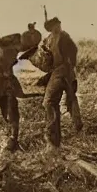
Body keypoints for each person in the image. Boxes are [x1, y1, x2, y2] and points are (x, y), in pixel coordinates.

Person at [40, 15, 83, 149]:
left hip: (63, 70)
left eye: (59, 24)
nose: (58, 26)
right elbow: (46, 58)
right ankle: (60, 135)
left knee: (51, 101)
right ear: (51, 28)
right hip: (59, 71)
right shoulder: (48, 40)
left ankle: (55, 137)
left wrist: (71, 64)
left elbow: (74, 50)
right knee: (66, 99)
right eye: (55, 25)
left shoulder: (64, 36)